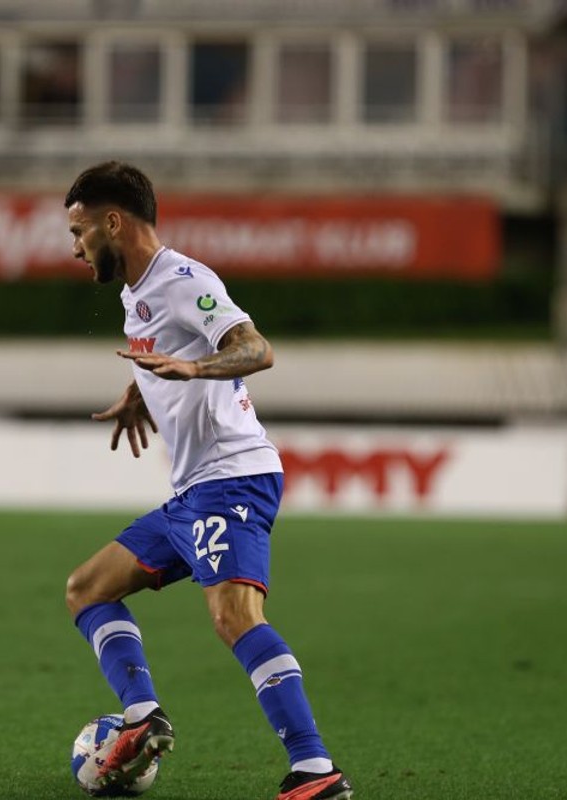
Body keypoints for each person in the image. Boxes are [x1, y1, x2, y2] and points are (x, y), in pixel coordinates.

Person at [62, 162, 353, 800]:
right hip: (194, 491)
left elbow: (256, 348)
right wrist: (140, 390)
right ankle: (142, 716)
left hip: (234, 478)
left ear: (114, 222)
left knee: (234, 616)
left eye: (80, 230)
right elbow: (162, 348)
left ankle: (316, 771)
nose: (74, 245)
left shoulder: (183, 278)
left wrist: (193, 371)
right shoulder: (134, 295)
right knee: (87, 589)